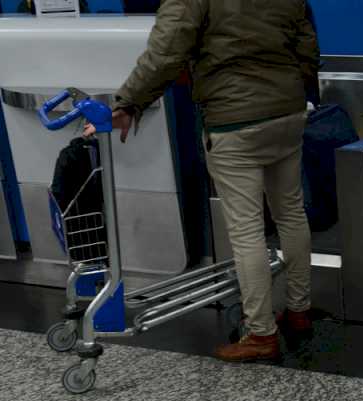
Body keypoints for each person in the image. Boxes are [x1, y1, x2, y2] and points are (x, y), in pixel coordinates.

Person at [90, 0, 320, 362]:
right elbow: (306, 40)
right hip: (287, 111)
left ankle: (261, 333)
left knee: (246, 230)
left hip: (235, 118)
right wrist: (296, 90)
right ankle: (298, 311)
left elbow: (167, 48)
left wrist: (129, 101)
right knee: (290, 212)